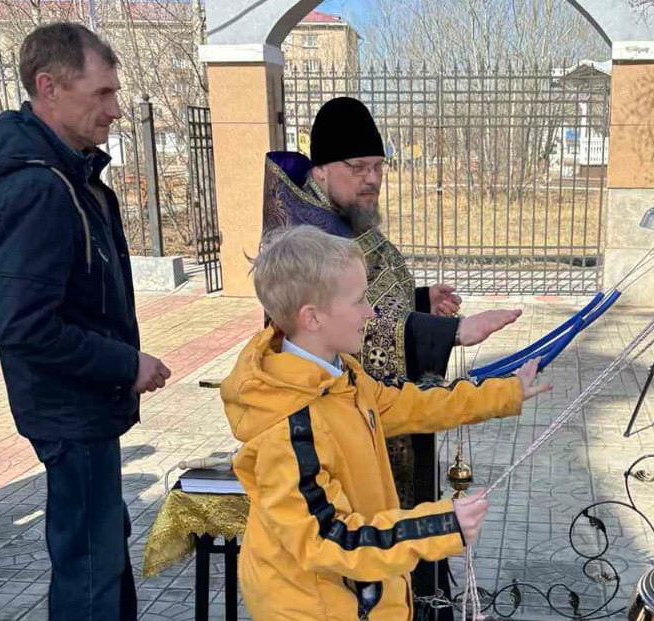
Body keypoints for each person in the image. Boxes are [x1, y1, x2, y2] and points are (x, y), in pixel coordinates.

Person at [263, 96, 520, 611]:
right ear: (321, 168)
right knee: (365, 553)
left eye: (379, 167)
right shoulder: (307, 232)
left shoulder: (342, 213)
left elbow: (365, 303)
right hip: (341, 436)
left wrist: (421, 301)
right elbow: (343, 322)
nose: (372, 179)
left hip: (376, 408)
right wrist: (450, 333)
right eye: (358, 167)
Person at [221, 225, 552, 620]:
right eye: (360, 300)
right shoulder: (289, 429)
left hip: (361, 595)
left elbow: (412, 405)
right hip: (317, 608)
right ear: (312, 317)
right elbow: (327, 538)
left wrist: (505, 392)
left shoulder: (341, 377)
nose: (371, 312)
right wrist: (439, 526)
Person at [0, 23, 171, 620]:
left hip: (84, 407)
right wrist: (126, 364)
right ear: (49, 87)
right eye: (102, 93)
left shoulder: (69, 175)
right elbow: (23, 325)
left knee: (101, 554)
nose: (115, 110)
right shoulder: (40, 188)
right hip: (70, 410)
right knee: (91, 569)